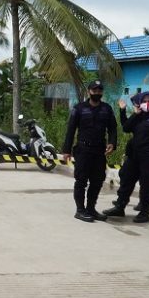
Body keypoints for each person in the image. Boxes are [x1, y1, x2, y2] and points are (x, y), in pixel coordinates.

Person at [103, 92, 149, 223]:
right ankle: (120, 207)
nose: (147, 102)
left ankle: (144, 212)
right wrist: (134, 113)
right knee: (126, 179)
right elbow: (126, 128)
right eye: (144, 100)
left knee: (147, 185)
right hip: (134, 155)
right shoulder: (138, 117)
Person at [62, 80, 118, 223]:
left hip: (99, 151)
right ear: (89, 91)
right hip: (83, 150)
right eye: (94, 90)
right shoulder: (79, 108)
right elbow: (70, 130)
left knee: (97, 181)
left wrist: (112, 142)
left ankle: (91, 209)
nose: (97, 93)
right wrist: (66, 150)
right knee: (81, 180)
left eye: (100, 90)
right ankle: (80, 210)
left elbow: (112, 128)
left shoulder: (107, 109)